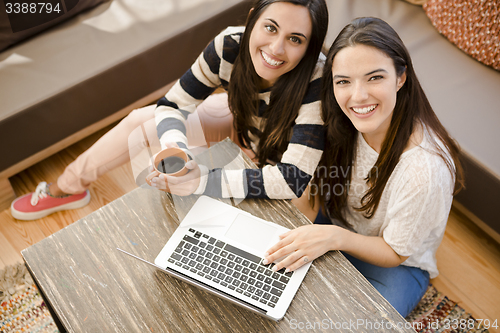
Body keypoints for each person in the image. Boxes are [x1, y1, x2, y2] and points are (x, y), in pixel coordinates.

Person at [11, 0, 329, 220]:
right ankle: (66, 189)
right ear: (251, 20)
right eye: (270, 28)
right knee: (141, 120)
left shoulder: (317, 78)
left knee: (286, 229)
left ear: (310, 47)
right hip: (244, 124)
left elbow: (293, 178)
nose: (276, 48)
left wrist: (204, 180)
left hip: (300, 169)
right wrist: (176, 150)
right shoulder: (229, 45)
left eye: (295, 39)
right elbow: (173, 104)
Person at [264, 17, 464, 318]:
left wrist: (334, 237)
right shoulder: (334, 113)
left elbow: (395, 252)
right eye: (343, 81)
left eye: (374, 78)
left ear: (400, 77)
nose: (357, 96)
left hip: (393, 262)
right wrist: (300, 224)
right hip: (331, 221)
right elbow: (311, 185)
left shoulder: (425, 169)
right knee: (269, 278)